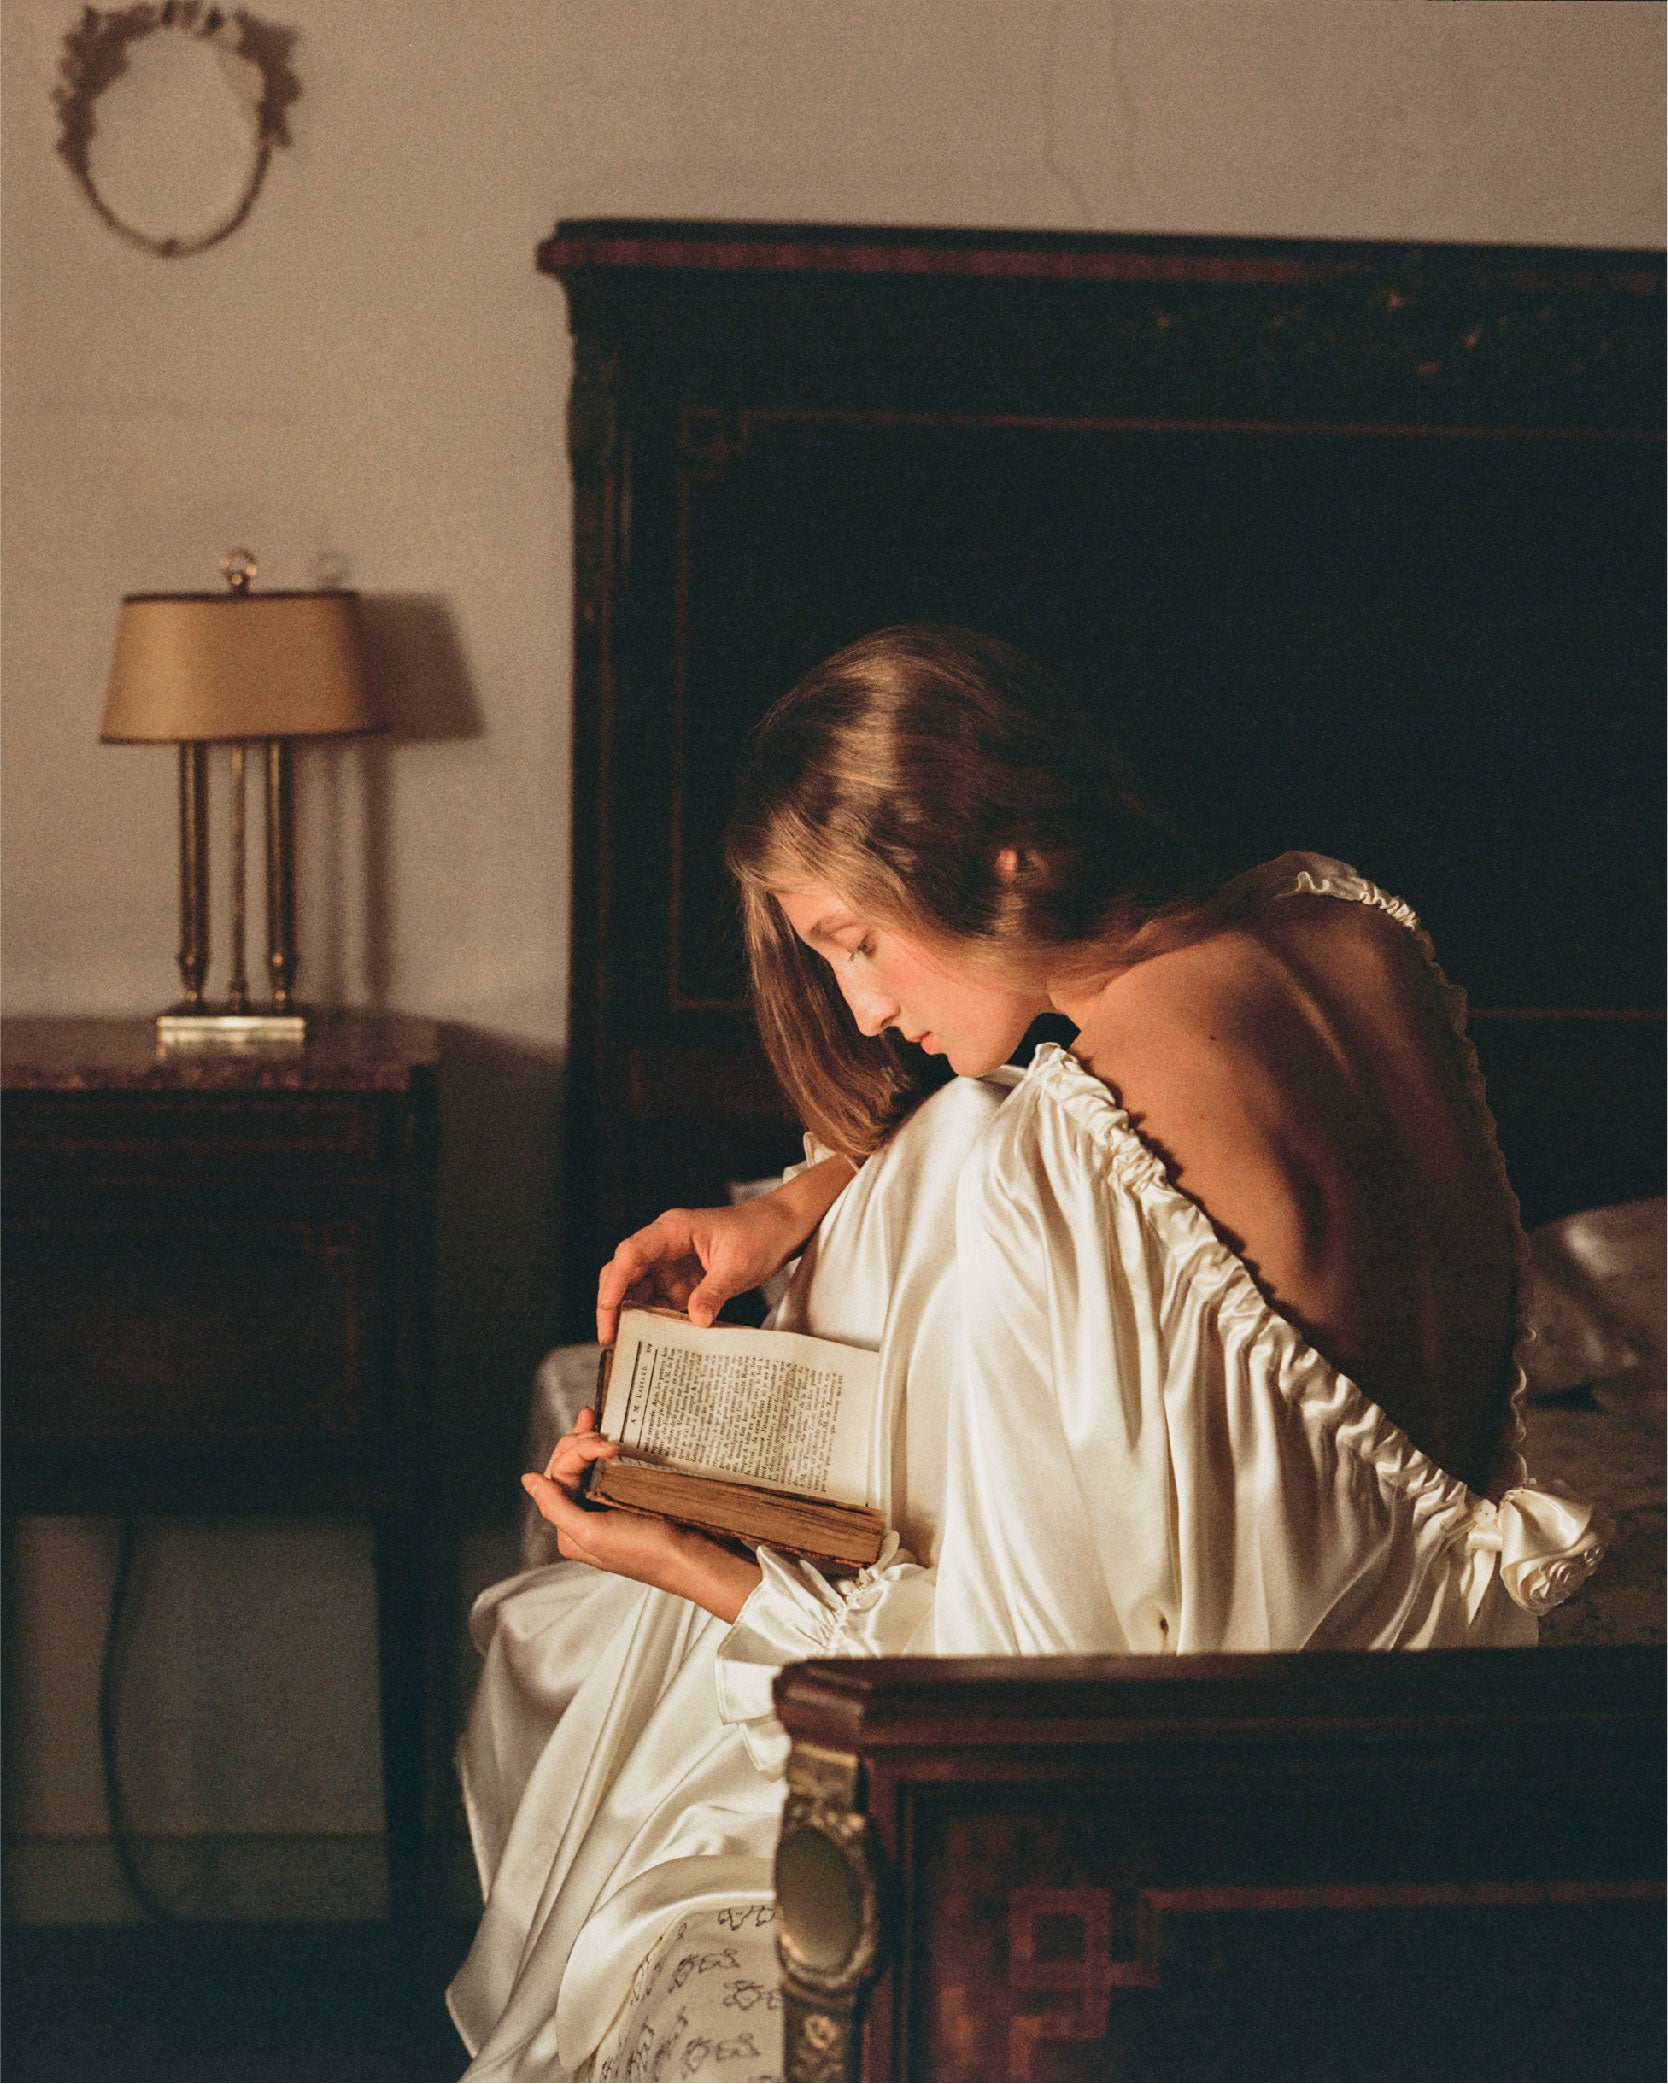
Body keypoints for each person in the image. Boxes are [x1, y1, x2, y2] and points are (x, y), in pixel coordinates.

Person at [448, 627, 1602, 2082]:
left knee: (593, 1657)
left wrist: (701, 1568)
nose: (865, 1010)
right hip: (1466, 1749)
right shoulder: (1351, 932)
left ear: (997, 861)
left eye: (856, 943)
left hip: (1226, 1817)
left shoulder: (1047, 1169)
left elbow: (1000, 1697)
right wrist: (805, 1200)